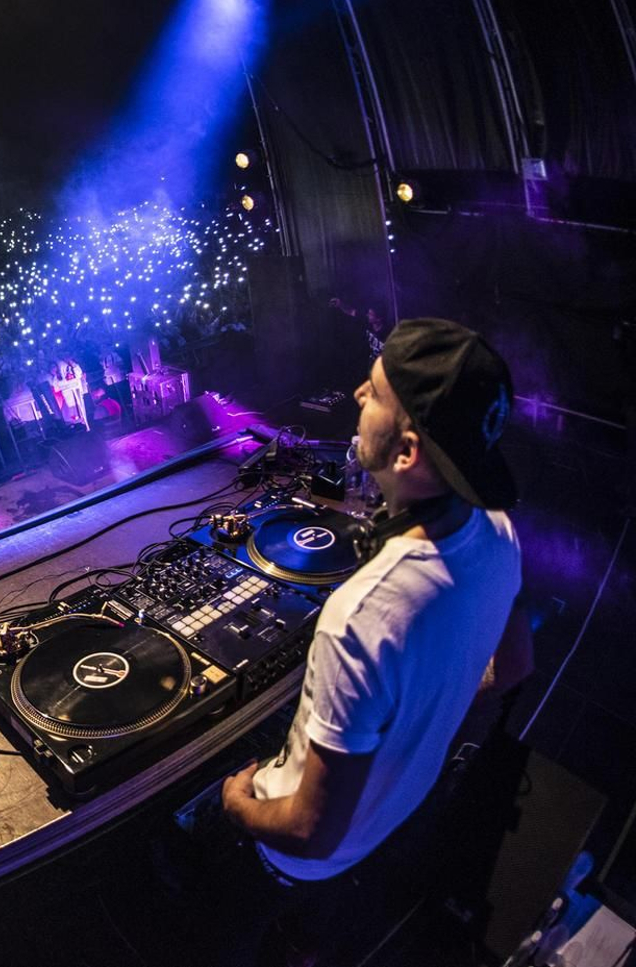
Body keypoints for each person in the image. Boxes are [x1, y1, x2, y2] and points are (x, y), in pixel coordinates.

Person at [195, 319, 533, 964]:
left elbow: (306, 830)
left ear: (406, 451)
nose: (355, 394)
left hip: (291, 858)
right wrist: (425, 714)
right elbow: (515, 665)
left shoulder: (362, 615)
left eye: (374, 393)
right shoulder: (500, 533)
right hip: (393, 826)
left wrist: (235, 805)